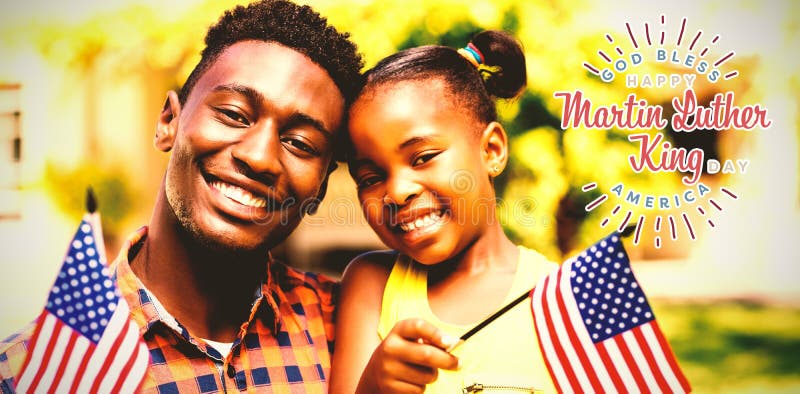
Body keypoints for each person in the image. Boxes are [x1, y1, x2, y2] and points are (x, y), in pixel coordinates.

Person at [0, 0, 363, 392]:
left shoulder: (352, 329)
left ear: (321, 187)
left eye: (299, 143)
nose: (259, 157)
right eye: (235, 115)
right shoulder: (32, 374)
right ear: (168, 122)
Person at [330, 31, 557, 393]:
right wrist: (374, 385)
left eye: (423, 157)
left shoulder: (566, 299)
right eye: (370, 177)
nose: (398, 191)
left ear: (492, 150)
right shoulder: (372, 284)